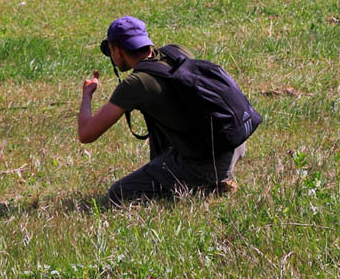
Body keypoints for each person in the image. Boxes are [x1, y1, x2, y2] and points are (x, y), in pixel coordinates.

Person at [77, 16, 245, 204]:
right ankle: (211, 177)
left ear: (117, 50)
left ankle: (209, 182)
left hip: (206, 161)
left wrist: (87, 96)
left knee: (118, 194)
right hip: (232, 142)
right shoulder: (175, 51)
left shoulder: (137, 84)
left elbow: (86, 134)